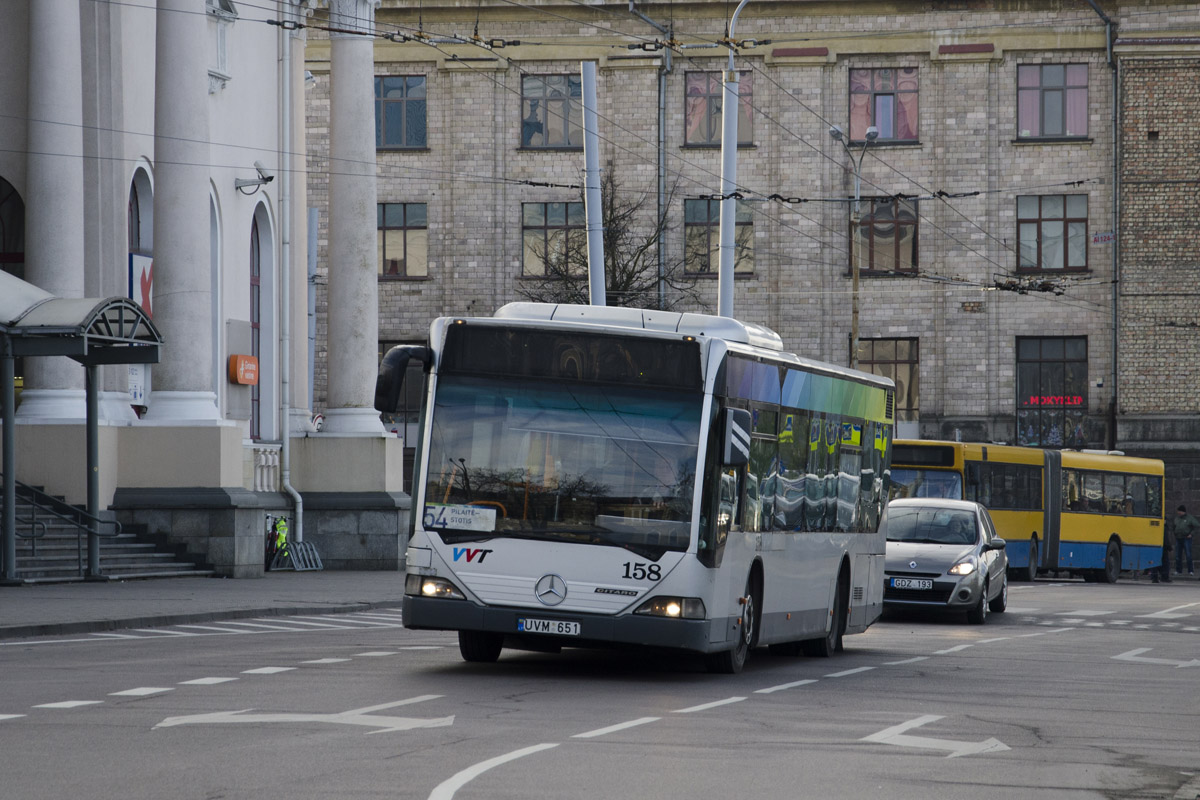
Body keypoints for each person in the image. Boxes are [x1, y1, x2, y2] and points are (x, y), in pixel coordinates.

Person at [1149, 515, 1175, 583]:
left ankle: (1154, 577)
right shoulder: (1164, 527)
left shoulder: (1154, 527)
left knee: (1154, 562)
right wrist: (1169, 547)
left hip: (1154, 546)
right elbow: (1165, 539)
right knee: (1165, 563)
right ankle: (1164, 577)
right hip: (1163, 547)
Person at [1174, 504, 1198, 577]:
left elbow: (1196, 526)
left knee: (1188, 555)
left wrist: (1191, 534)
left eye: (1179, 511)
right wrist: (1175, 533)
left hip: (1186, 538)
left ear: (1183, 511)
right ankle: (1178, 570)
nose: (1178, 513)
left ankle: (1190, 570)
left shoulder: (1190, 518)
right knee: (1178, 555)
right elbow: (1174, 526)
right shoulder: (1177, 518)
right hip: (1178, 538)